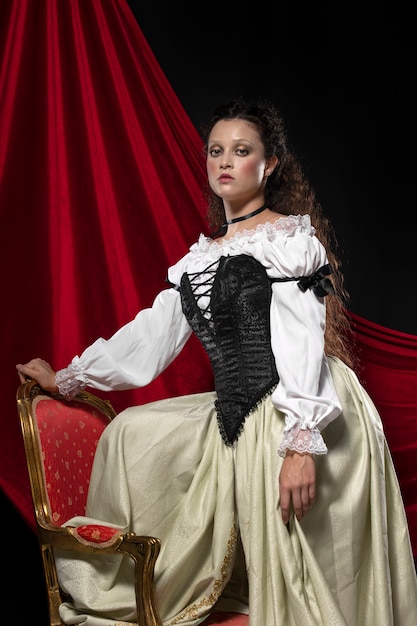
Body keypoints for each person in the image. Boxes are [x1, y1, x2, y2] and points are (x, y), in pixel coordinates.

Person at [17, 98, 417, 626]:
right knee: (127, 435)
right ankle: (130, 580)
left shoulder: (289, 240)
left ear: (268, 165)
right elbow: (150, 336)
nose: (225, 162)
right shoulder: (200, 259)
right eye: (216, 151)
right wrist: (70, 376)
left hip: (302, 406)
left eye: (241, 151)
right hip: (238, 410)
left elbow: (302, 338)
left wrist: (300, 443)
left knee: (307, 578)